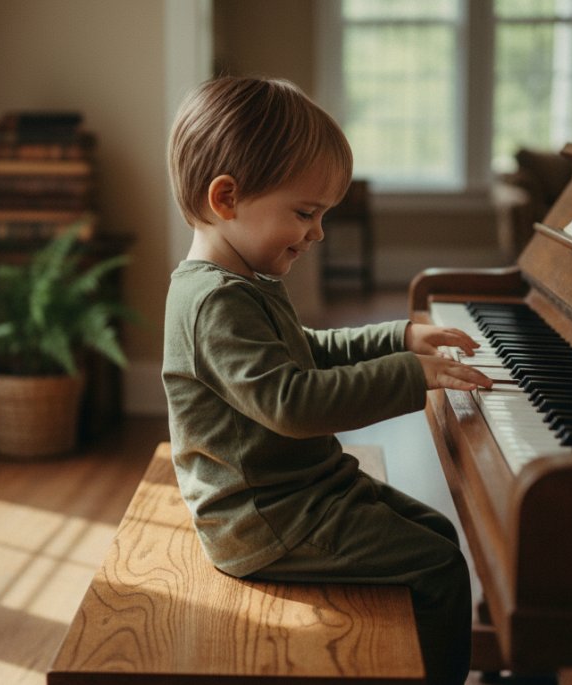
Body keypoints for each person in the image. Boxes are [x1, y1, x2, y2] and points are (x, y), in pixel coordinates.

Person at [162, 75, 493, 685]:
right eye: (305, 213)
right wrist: (409, 376)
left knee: (438, 533)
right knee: (439, 566)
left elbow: (305, 351)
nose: (317, 233)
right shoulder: (214, 302)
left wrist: (396, 337)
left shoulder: (243, 283)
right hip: (263, 519)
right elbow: (292, 403)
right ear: (226, 198)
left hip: (297, 490)